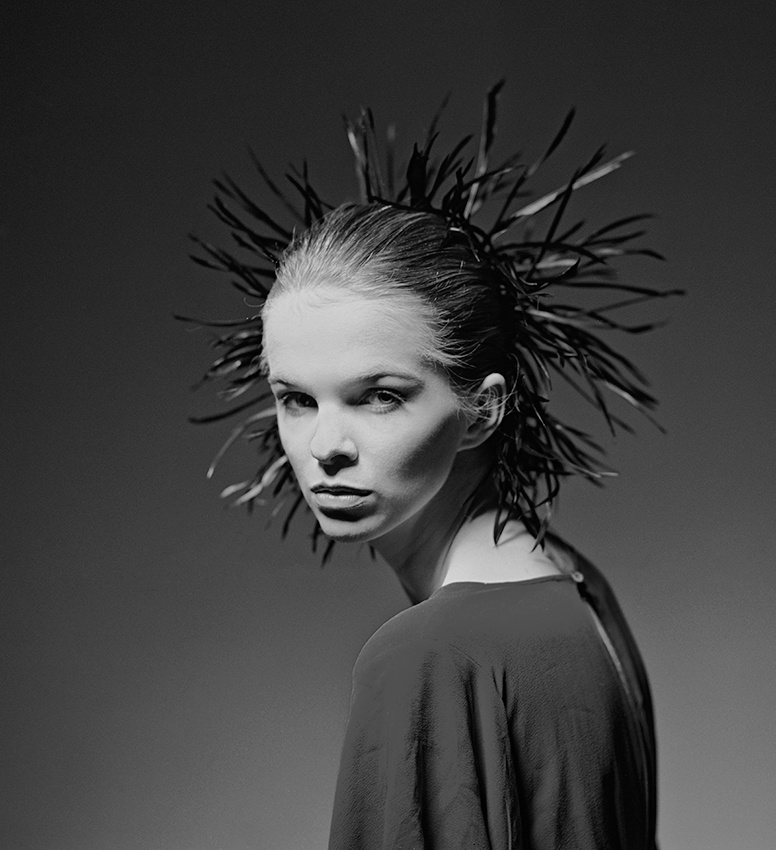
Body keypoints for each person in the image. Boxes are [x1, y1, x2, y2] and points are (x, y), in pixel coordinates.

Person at [188, 87, 674, 848]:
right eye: (296, 399)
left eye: (380, 396)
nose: (325, 445)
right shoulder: (576, 589)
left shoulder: (427, 657)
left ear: (483, 409)